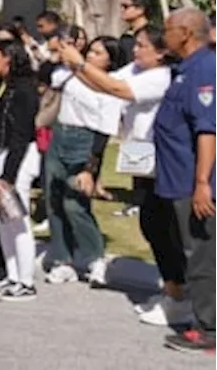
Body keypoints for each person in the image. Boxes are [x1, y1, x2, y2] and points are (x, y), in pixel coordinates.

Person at [57, 26, 187, 326]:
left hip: (160, 156)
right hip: (140, 156)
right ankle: (172, 289)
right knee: (151, 223)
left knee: (163, 226)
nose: (136, 50)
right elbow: (105, 82)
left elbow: (118, 91)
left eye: (142, 46)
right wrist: (72, 64)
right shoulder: (138, 69)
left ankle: (179, 295)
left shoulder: (160, 76)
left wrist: (79, 62)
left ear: (161, 52)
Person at [146, 9, 217, 354]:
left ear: (186, 32)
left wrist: (203, 182)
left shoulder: (205, 68)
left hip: (195, 186)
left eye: (168, 29)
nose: (164, 34)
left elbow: (208, 130)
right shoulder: (183, 70)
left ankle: (210, 330)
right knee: (196, 254)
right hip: (175, 182)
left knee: (203, 257)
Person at [44, 36, 126, 287]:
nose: (91, 56)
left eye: (99, 53)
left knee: (75, 203)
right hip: (61, 134)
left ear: (110, 60)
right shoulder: (70, 75)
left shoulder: (111, 87)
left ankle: (94, 257)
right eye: (90, 51)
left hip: (86, 140)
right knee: (54, 200)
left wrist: (91, 167)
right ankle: (62, 259)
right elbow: (49, 72)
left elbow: (105, 130)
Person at [0, 39, 42, 302]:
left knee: (17, 218)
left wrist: (9, 176)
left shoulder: (24, 90)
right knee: (3, 219)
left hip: (17, 156)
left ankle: (26, 281)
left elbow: (22, 134)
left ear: (8, 58)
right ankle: (12, 275)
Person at [118, 0, 152, 64]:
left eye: (125, 6)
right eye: (121, 6)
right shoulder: (126, 36)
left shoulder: (152, 35)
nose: (122, 10)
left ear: (140, 9)